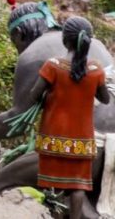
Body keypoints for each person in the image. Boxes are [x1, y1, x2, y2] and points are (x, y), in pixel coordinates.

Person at [0, 1, 115, 210]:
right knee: (76, 187)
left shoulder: (39, 58)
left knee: (1, 181)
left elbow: (16, 122)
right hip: (94, 146)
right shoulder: (98, 51)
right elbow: (105, 98)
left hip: (74, 146)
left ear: (19, 34)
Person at [14, 17, 109, 219]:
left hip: (53, 137)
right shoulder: (96, 71)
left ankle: (51, 214)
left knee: (51, 181)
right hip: (82, 141)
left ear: (65, 40)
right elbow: (105, 98)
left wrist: (49, 95)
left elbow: (33, 95)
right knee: (78, 185)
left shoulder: (53, 66)